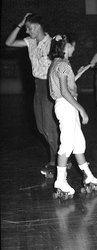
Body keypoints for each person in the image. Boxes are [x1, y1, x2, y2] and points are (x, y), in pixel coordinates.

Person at [5, 13, 59, 174]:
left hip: (49, 85)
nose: (28, 31)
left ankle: (56, 162)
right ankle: (59, 156)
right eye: (27, 28)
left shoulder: (52, 42)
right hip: (37, 86)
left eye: (30, 27)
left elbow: (61, 64)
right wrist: (21, 24)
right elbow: (9, 42)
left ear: (38, 26)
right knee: (42, 128)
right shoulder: (29, 42)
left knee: (49, 128)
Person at [47, 34, 97, 197]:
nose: (74, 48)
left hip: (66, 105)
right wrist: (81, 109)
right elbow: (63, 91)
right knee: (67, 144)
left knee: (78, 143)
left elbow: (64, 85)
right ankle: (60, 181)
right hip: (67, 105)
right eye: (72, 45)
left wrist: (78, 74)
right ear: (65, 47)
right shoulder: (62, 64)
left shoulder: (58, 64)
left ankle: (88, 176)